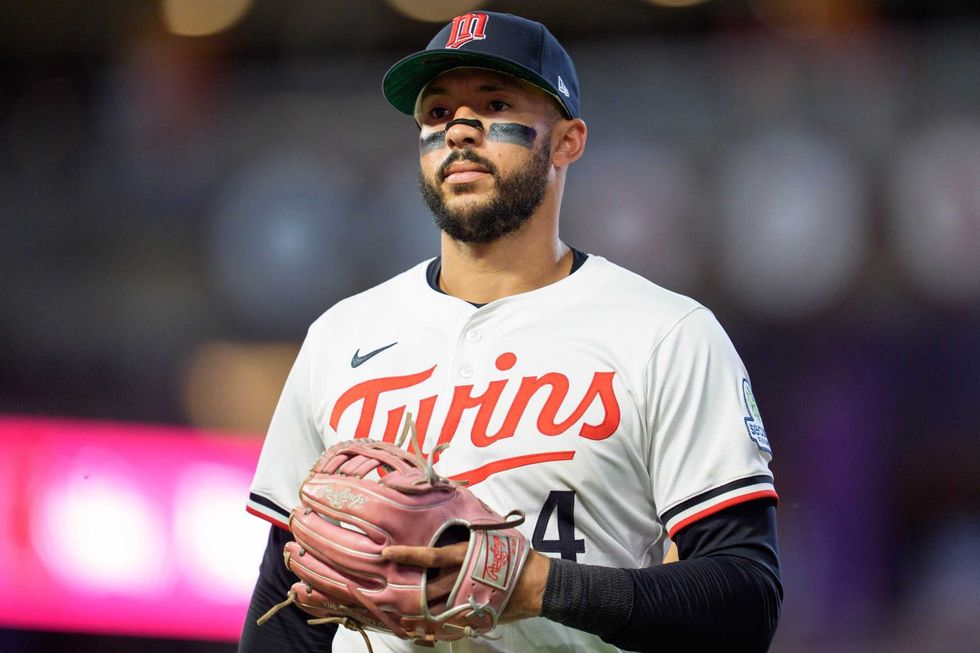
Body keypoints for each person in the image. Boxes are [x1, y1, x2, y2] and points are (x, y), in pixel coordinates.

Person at [238, 11, 782, 653]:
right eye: (437, 113)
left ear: (568, 141)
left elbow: (746, 596)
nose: (461, 130)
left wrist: (539, 585)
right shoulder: (340, 336)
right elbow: (286, 600)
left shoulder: (666, 333)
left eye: (494, 103)